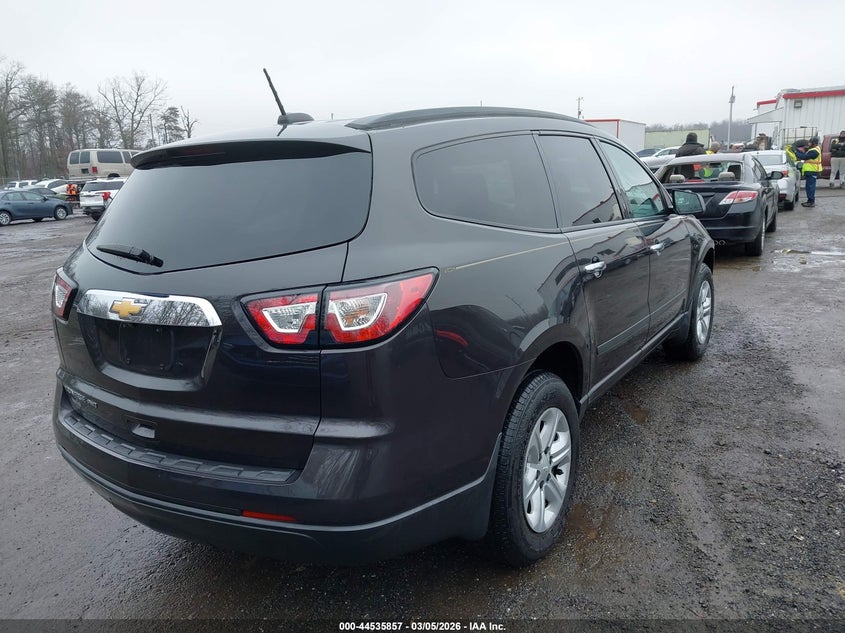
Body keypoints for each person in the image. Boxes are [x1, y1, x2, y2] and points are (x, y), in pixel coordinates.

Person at [792, 137, 822, 207]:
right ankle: (810, 201)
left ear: (814, 143)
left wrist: (795, 152)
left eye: (810, 142)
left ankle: (811, 201)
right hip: (811, 170)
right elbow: (804, 154)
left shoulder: (814, 151)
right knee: (809, 187)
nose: (808, 144)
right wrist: (797, 150)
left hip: (812, 170)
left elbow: (804, 157)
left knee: (810, 187)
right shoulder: (813, 149)